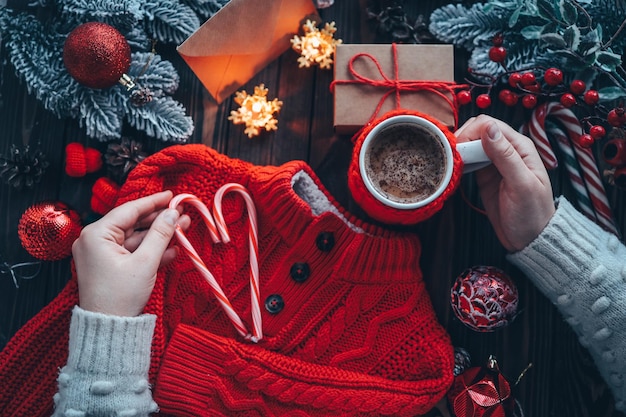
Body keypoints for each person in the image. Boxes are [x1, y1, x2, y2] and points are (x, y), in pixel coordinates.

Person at [52, 115, 626, 415]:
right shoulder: (203, 185)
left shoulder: (407, 342)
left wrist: (186, 368)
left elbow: (420, 386)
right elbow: (157, 177)